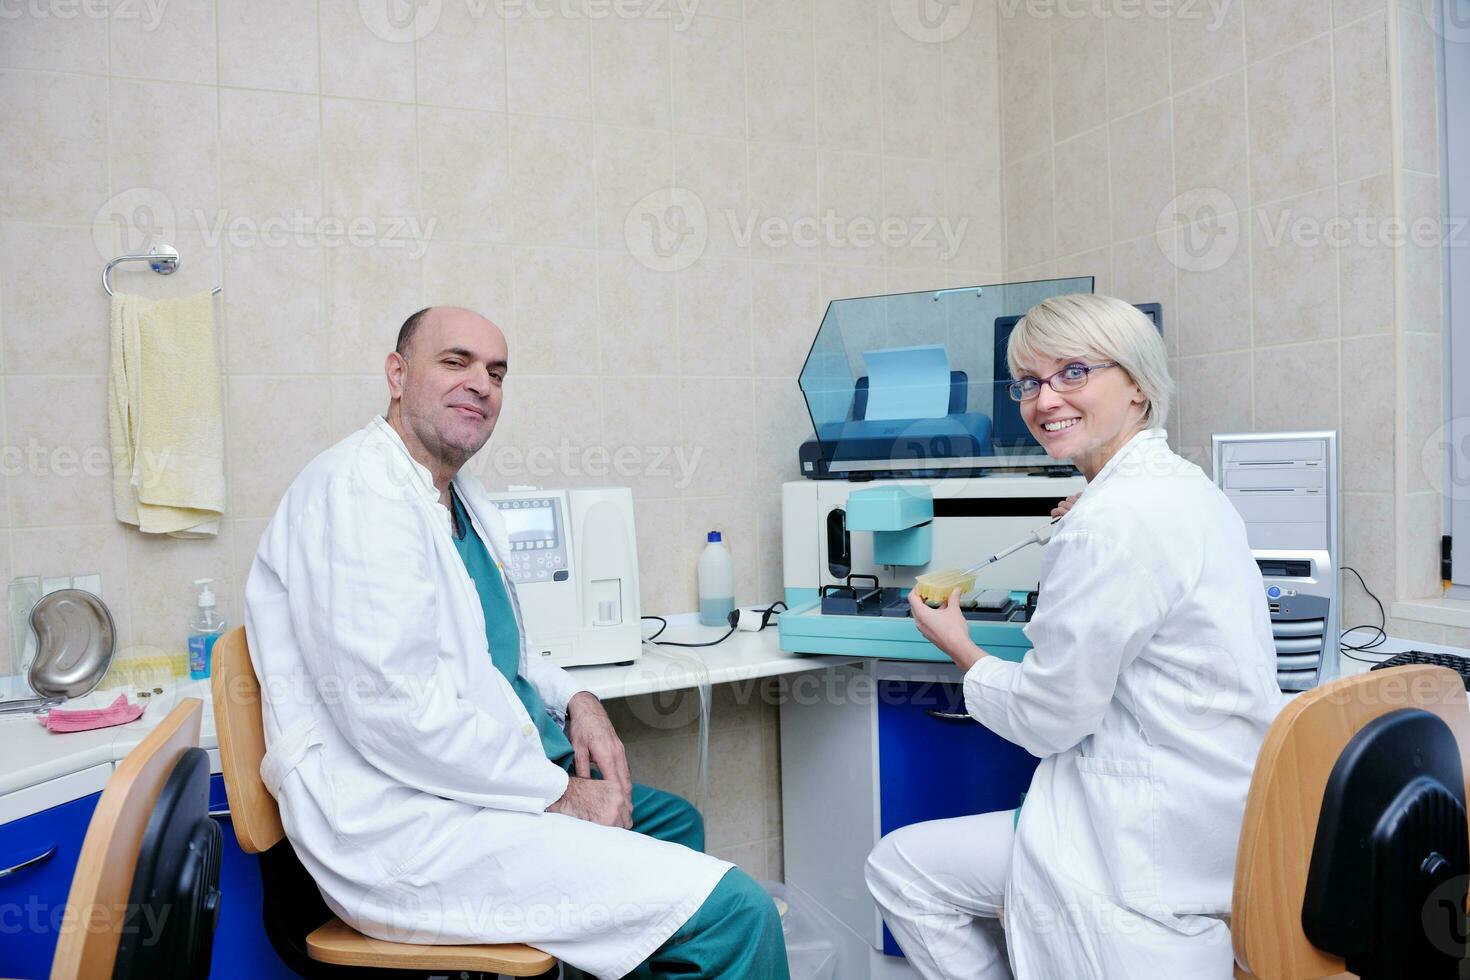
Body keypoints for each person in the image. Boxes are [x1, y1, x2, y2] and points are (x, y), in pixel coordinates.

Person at [244, 306, 788, 980]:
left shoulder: (459, 496)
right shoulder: (359, 494)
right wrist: (559, 796)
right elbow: (395, 713)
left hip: (475, 787)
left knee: (671, 821)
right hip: (410, 827)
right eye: (456, 362)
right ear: (396, 373)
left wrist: (580, 699)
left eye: (496, 372)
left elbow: (511, 651)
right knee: (737, 913)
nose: (482, 384)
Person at [864, 294, 1284, 978]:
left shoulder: (1112, 519)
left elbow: (1048, 719)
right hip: (1215, 816)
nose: (1043, 400)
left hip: (1142, 850)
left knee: (900, 869)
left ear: (1140, 387)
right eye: (1029, 383)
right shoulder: (1183, 487)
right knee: (912, 867)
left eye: (1074, 373)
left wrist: (962, 649)